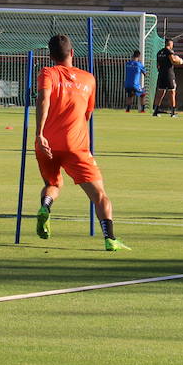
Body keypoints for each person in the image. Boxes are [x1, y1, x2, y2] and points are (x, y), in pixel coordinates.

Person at [35, 34, 130, 251]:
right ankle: (110, 238)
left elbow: (43, 99)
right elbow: (88, 114)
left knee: (53, 184)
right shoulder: (89, 79)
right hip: (76, 146)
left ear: (50, 56)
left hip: (46, 144)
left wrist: (40, 134)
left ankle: (45, 207)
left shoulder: (47, 72)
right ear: (72, 53)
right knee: (99, 196)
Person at [152, 39, 183, 116]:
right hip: (169, 74)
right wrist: (180, 61)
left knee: (160, 93)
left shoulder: (159, 52)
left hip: (161, 74)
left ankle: (155, 111)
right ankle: (172, 112)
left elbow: (157, 66)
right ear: (170, 44)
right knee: (172, 92)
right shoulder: (169, 51)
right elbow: (173, 61)